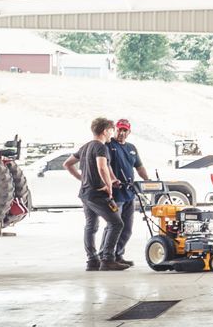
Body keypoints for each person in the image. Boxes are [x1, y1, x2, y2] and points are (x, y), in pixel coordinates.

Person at [64, 116, 128, 271]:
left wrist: (82, 178)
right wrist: (109, 186)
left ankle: (92, 260)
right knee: (116, 223)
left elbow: (67, 164)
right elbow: (102, 167)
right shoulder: (100, 147)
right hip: (98, 194)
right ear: (105, 131)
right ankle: (107, 259)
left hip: (85, 193)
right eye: (111, 130)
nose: (112, 133)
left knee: (91, 226)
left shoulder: (85, 146)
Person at [104, 119, 154, 265]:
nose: (121, 132)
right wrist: (113, 180)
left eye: (125, 130)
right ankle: (106, 256)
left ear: (129, 132)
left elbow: (139, 167)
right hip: (116, 193)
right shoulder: (109, 145)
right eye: (119, 129)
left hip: (130, 194)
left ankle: (118, 255)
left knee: (127, 228)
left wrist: (148, 180)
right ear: (115, 130)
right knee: (113, 226)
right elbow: (106, 165)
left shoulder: (132, 148)